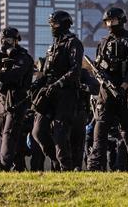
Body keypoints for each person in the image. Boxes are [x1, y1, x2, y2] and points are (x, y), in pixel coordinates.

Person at [87, 7, 128, 171]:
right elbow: (98, 66)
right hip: (105, 93)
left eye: (114, 21)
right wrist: (100, 79)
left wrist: (126, 85)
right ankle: (96, 166)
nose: (111, 24)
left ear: (122, 21)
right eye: (108, 22)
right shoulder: (104, 42)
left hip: (123, 92)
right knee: (100, 129)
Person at [31, 11, 83, 172]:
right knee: (38, 132)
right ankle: (56, 160)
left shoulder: (73, 43)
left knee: (61, 134)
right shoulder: (52, 45)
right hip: (49, 94)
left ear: (65, 24)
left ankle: (66, 168)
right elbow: (47, 72)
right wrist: (38, 84)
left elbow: (75, 70)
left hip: (66, 94)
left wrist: (58, 84)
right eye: (51, 24)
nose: (52, 27)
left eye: (55, 24)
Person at [0, 27, 34, 171]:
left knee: (9, 134)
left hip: (16, 102)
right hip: (0, 102)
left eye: (9, 40)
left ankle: (3, 165)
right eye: (3, 41)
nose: (5, 43)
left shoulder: (23, 57)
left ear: (16, 41)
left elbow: (14, 76)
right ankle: (17, 166)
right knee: (0, 135)